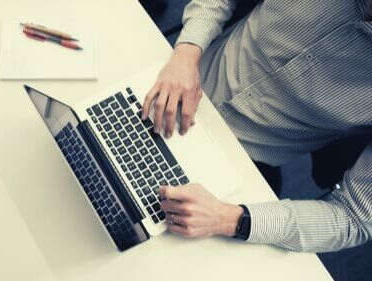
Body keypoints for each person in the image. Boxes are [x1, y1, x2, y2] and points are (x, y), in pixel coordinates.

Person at [144, 0, 372, 252]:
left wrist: (229, 219)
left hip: (237, 166)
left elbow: (354, 218)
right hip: (173, 75)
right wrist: (187, 53)